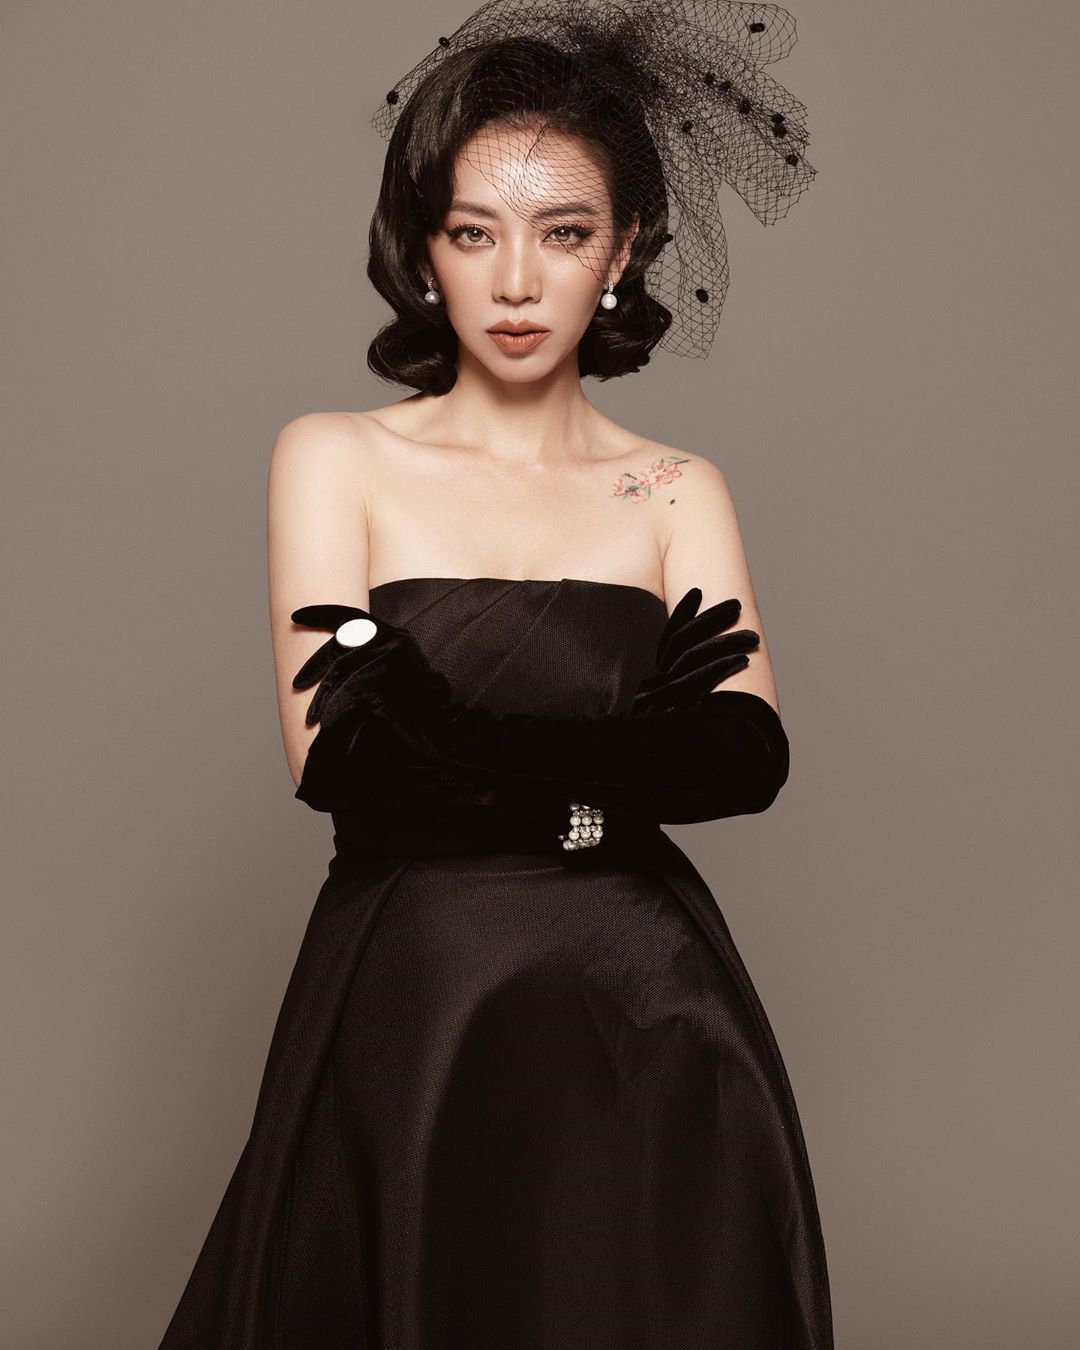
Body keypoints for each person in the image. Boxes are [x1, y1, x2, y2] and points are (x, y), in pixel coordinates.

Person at [157, 3, 832, 1346]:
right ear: (424, 248)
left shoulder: (675, 487)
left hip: (645, 1014)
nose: (518, 281)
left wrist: (444, 719)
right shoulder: (335, 457)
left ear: (624, 250)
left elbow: (744, 758)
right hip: (417, 1005)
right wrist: (611, 787)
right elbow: (345, 766)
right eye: (476, 232)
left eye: (563, 233)